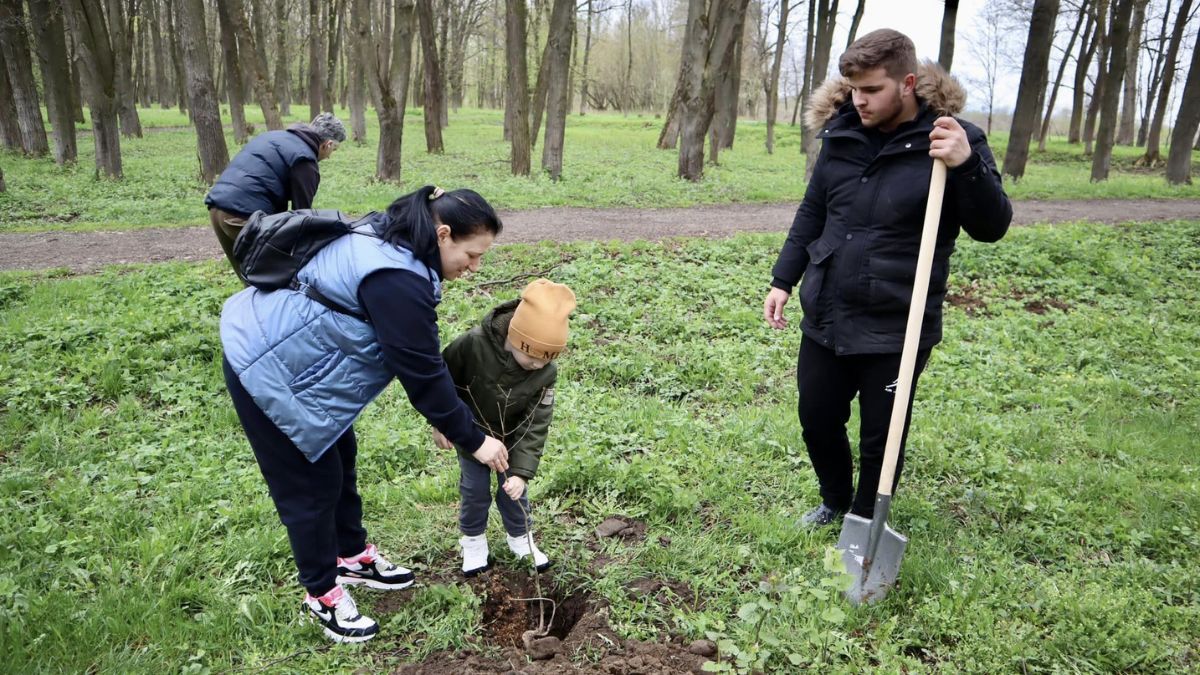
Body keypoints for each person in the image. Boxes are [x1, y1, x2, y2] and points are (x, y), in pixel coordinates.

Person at [220, 186, 508, 643]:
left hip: (301, 372)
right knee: (309, 487)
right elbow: (421, 369)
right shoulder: (397, 278)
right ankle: (321, 595)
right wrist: (474, 438)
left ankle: (350, 555)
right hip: (265, 367)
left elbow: (417, 365)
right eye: (472, 255)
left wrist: (444, 416)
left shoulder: (396, 242)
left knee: (339, 461)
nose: (474, 268)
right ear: (444, 234)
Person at [762, 29, 1012, 528]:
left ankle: (862, 519)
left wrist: (966, 167)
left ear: (907, 83)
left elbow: (993, 226)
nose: (860, 100)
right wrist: (783, 279)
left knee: (883, 433)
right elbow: (814, 211)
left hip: (899, 318)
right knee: (817, 418)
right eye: (853, 88)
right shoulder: (842, 132)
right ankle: (835, 500)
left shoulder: (954, 139)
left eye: (872, 90)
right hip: (829, 307)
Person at [432, 279, 577, 577]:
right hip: (472, 435)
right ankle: (473, 541)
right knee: (474, 491)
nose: (537, 366)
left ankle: (521, 540)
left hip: (512, 441)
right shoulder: (472, 345)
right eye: (532, 357)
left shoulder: (545, 373)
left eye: (545, 360)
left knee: (514, 493)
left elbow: (536, 423)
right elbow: (440, 382)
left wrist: (522, 472)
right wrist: (442, 422)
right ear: (515, 337)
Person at [205, 113, 346, 278]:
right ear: (327, 145)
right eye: (333, 150)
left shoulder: (274, 136)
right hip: (242, 216)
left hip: (217, 208)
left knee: (249, 278)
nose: (329, 157)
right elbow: (302, 217)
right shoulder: (305, 159)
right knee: (274, 275)